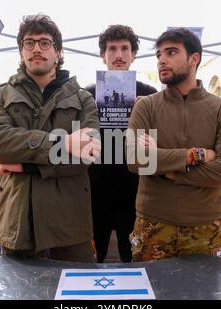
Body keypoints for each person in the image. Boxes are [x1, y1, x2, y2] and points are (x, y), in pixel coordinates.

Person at [0, 14, 100, 263]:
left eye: (45, 43)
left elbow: (88, 153)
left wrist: (25, 165)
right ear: (21, 52)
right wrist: (65, 143)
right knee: (19, 291)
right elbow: (0, 144)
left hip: (70, 219)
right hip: (19, 220)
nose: (36, 48)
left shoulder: (83, 99)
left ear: (58, 52)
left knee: (77, 294)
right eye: (29, 43)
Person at [127, 28, 221, 262]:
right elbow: (136, 160)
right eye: (159, 54)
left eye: (171, 52)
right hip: (153, 225)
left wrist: (169, 171)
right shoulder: (146, 107)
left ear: (194, 59)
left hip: (206, 228)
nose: (162, 60)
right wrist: (196, 155)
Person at [86, 25, 157, 263]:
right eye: (112, 49)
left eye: (125, 48)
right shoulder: (87, 95)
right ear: (102, 55)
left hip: (134, 190)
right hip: (96, 190)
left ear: (133, 54)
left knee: (134, 258)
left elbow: (159, 144)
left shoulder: (150, 94)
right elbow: (77, 143)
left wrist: (146, 112)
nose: (118, 55)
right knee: (94, 258)